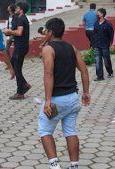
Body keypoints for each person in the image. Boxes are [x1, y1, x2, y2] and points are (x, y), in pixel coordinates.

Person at [38, 17, 90, 169]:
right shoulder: (71, 48)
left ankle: (55, 165)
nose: (44, 33)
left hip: (56, 101)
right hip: (72, 99)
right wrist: (86, 93)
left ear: (50, 32)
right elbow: (84, 70)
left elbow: (49, 74)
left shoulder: (48, 49)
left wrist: (48, 101)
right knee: (70, 131)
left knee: (45, 130)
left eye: (46, 31)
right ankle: (74, 165)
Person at [3, 2, 31, 99]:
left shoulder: (21, 18)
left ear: (21, 10)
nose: (16, 9)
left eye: (18, 8)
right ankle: (25, 85)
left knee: (17, 69)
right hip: (19, 46)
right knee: (14, 66)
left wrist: (9, 31)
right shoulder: (21, 18)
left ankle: (20, 92)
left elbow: (19, 32)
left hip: (21, 47)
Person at [93, 8, 114, 80]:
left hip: (105, 45)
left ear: (102, 14)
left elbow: (111, 35)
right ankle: (100, 76)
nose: (96, 14)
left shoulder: (108, 24)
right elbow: (94, 34)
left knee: (106, 60)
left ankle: (110, 72)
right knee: (97, 61)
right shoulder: (96, 23)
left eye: (98, 13)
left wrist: (112, 43)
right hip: (97, 45)